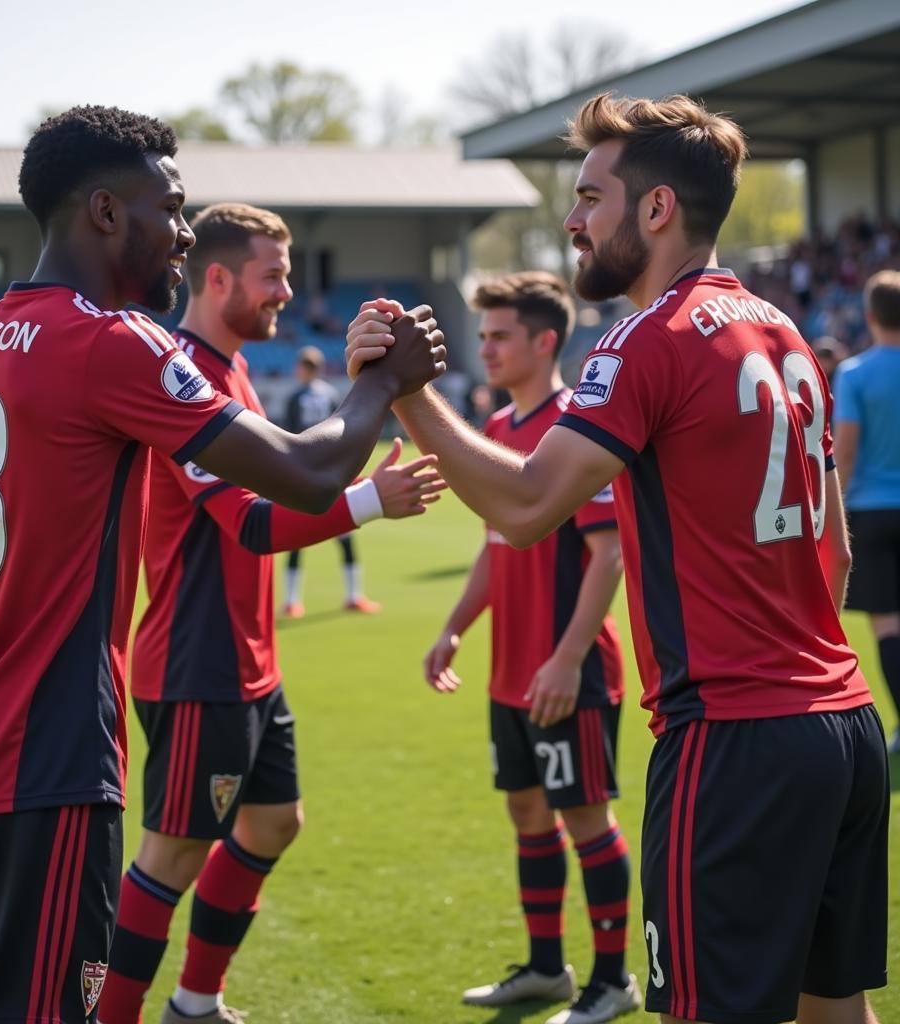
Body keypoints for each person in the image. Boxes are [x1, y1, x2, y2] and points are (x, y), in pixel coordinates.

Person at [347, 93, 887, 1024]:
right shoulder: (787, 332)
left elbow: (525, 508)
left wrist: (407, 392)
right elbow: (833, 560)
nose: (572, 220)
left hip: (732, 741)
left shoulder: (647, 338)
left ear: (656, 209)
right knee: (835, 1012)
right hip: (843, 728)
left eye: (591, 197)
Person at [0, 106, 444, 1023]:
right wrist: (384, 382)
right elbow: (309, 473)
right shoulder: (112, 342)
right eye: (175, 207)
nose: (185, 233)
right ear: (108, 213)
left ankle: (196, 1000)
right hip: (47, 759)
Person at [97, 203, 445, 1024]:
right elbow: (251, 523)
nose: (289, 291)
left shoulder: (234, 367)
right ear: (217, 278)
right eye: (274, 275)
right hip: (195, 660)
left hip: (251, 660)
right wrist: (366, 500)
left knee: (274, 822)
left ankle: (195, 1002)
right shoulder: (182, 374)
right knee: (173, 852)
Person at [423, 271, 639, 1023]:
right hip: (510, 671)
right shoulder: (500, 433)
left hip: (566, 671)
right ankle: (548, 968)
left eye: (500, 335)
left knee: (585, 817)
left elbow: (608, 553)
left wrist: (568, 657)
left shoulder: (576, 424)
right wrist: (455, 626)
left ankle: (612, 981)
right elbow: (493, 547)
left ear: (546, 340)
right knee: (526, 811)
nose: (485, 348)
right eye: (481, 336)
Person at [833, 269, 900, 753]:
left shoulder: (855, 372)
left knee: (888, 624)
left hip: (873, 513)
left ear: (870, 315)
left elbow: (846, 450)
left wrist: (833, 507)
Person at [281, 345, 382, 617]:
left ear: (304, 368)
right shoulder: (331, 394)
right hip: (331, 475)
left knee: (294, 538)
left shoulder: (295, 397)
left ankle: (291, 601)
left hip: (303, 474)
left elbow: (289, 438)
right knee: (346, 537)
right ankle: (354, 595)